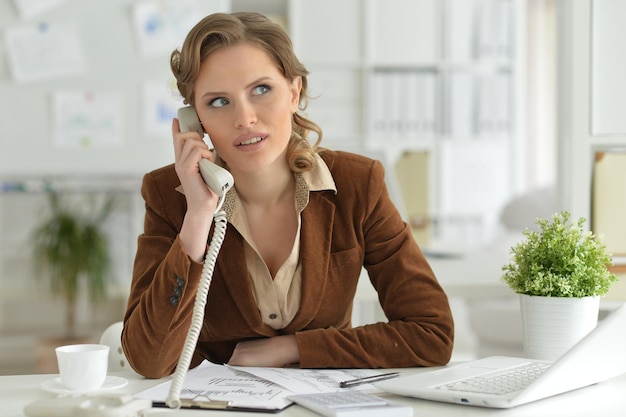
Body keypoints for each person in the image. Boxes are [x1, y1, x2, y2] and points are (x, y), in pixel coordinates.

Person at [122, 11, 454, 379]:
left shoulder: (358, 184)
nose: (244, 118)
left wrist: (292, 348)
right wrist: (198, 217)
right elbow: (148, 360)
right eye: (218, 101)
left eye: (261, 90)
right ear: (194, 120)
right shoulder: (169, 196)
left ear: (294, 93)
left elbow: (432, 333)